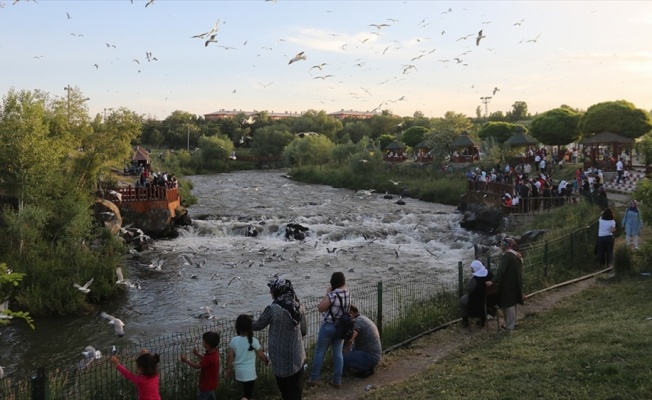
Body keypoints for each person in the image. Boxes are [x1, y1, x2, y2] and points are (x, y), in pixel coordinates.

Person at [252, 278, 307, 400]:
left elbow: (257, 325)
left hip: (280, 357)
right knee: (295, 389)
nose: (270, 293)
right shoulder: (299, 305)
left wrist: (245, 320)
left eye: (272, 290)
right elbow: (304, 330)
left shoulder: (273, 309)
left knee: (284, 388)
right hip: (297, 355)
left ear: (278, 291)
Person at [308, 272, 351, 389]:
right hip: (341, 327)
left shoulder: (332, 294)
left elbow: (321, 308)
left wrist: (327, 294)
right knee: (338, 352)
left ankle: (314, 378)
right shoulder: (348, 292)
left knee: (320, 351)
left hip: (328, 326)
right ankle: (337, 381)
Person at [226, 315, 269, 400]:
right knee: (247, 394)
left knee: (242, 391)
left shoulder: (234, 340)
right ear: (250, 327)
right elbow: (261, 355)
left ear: (237, 327)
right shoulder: (254, 341)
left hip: (239, 372)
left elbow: (230, 356)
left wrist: (228, 369)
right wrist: (266, 360)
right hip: (250, 373)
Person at [486, 238, 524, 331]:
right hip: (516, 281)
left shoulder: (507, 256)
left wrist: (492, 281)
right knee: (514, 302)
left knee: (508, 304)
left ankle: (509, 326)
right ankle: (514, 322)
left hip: (508, 283)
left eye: (502, 244)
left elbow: (501, 271)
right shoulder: (516, 255)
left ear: (506, 245)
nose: (501, 245)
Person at [343, 305, 382, 378]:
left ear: (351, 313)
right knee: (348, 352)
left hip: (371, 356)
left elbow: (350, 339)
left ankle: (366, 369)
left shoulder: (357, 322)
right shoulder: (362, 318)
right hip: (373, 354)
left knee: (343, 357)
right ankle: (363, 367)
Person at [180, 331, 220, 400]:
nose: (203, 343)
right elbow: (205, 360)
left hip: (206, 386)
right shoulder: (214, 353)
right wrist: (197, 354)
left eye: (204, 342)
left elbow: (197, 366)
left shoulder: (209, 357)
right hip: (212, 384)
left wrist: (186, 360)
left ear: (207, 345)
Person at [460, 260, 494, 328]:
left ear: (475, 269)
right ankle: (482, 320)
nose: (471, 270)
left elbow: (469, 289)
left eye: (472, 268)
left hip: (477, 300)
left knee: (462, 301)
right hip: (490, 299)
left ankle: (465, 321)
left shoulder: (475, 279)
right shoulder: (489, 273)